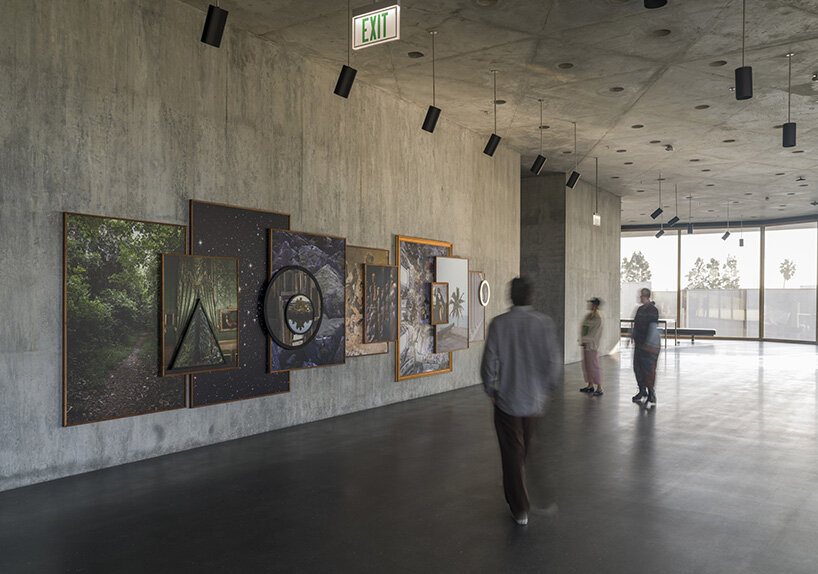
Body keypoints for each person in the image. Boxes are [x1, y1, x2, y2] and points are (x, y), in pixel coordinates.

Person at [480, 277, 560, 526]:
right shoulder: (543, 324)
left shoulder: (499, 324)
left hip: (507, 401)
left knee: (512, 453)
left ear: (510, 296)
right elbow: (553, 363)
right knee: (525, 448)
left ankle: (520, 508)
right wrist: (547, 388)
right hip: (534, 401)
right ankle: (531, 491)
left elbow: (488, 363)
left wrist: (490, 389)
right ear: (531, 296)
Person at [631, 288, 660, 409]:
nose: (639, 297)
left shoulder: (652, 310)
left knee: (648, 370)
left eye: (641, 296)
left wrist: (649, 343)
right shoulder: (640, 309)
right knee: (638, 368)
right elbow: (636, 325)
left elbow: (653, 326)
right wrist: (631, 337)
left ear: (645, 296)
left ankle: (651, 393)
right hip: (639, 344)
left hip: (648, 346)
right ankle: (642, 390)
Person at [579, 297, 604, 396]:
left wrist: (585, 340)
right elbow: (583, 328)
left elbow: (595, 333)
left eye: (591, 304)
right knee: (586, 365)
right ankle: (590, 385)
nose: (589, 305)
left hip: (592, 345)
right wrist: (582, 340)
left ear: (595, 306)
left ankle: (599, 387)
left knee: (594, 365)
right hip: (585, 344)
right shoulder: (589, 316)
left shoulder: (598, 317)